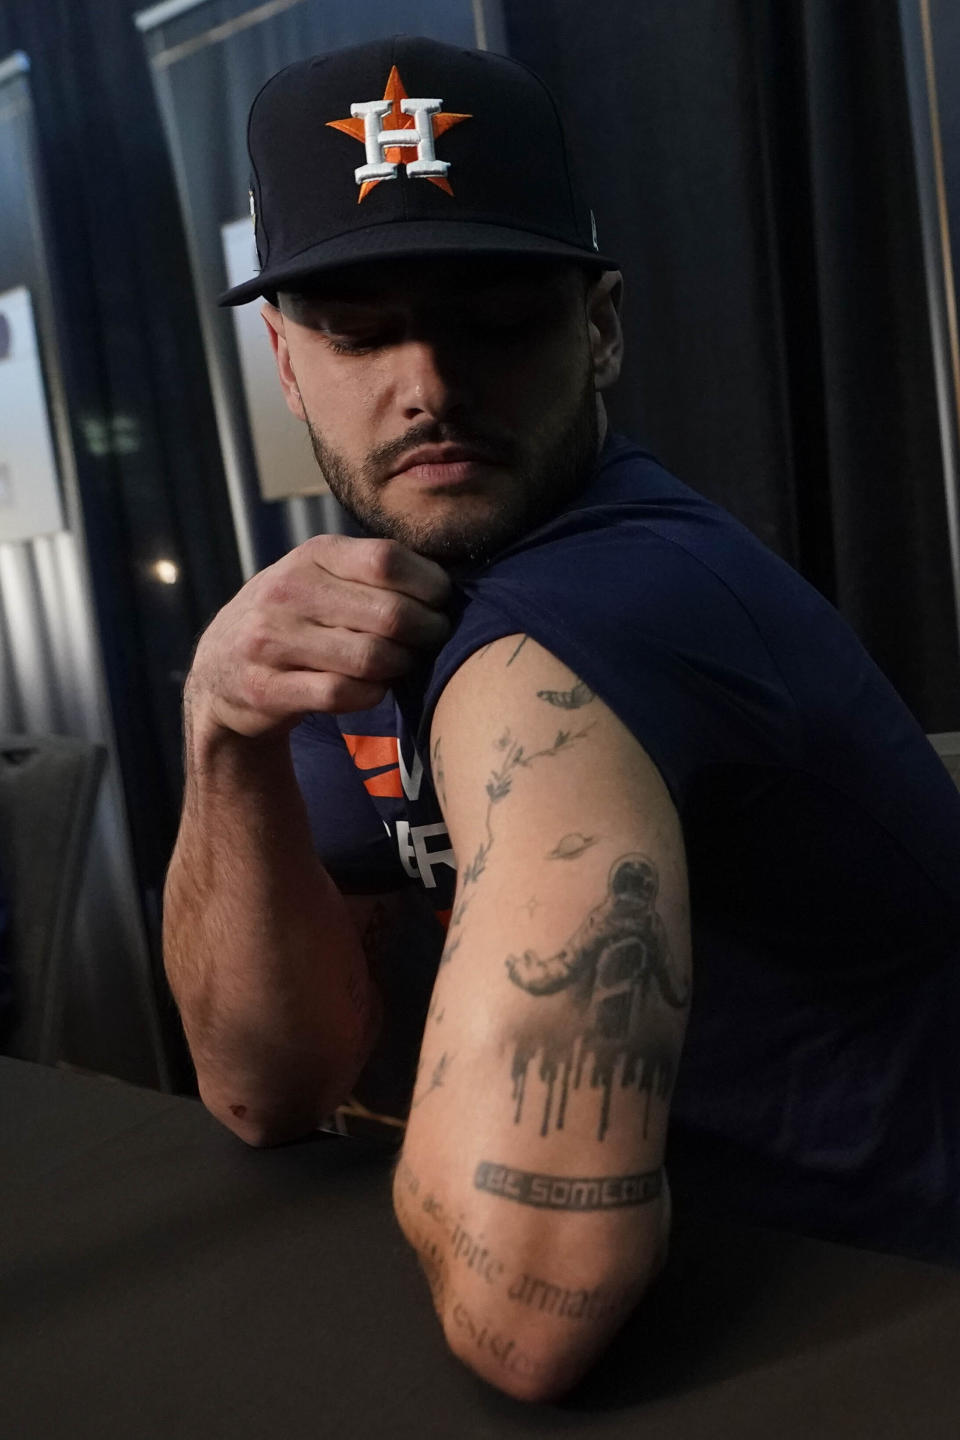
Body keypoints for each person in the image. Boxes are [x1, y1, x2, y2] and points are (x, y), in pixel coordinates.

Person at [163, 34, 960, 1401]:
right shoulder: (363, 610)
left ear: (599, 328)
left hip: (880, 1316)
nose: (427, 383)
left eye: (496, 315)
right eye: (359, 327)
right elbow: (266, 1087)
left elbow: (531, 1308)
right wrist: (221, 732)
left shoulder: (602, 614)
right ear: (288, 371)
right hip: (718, 1294)